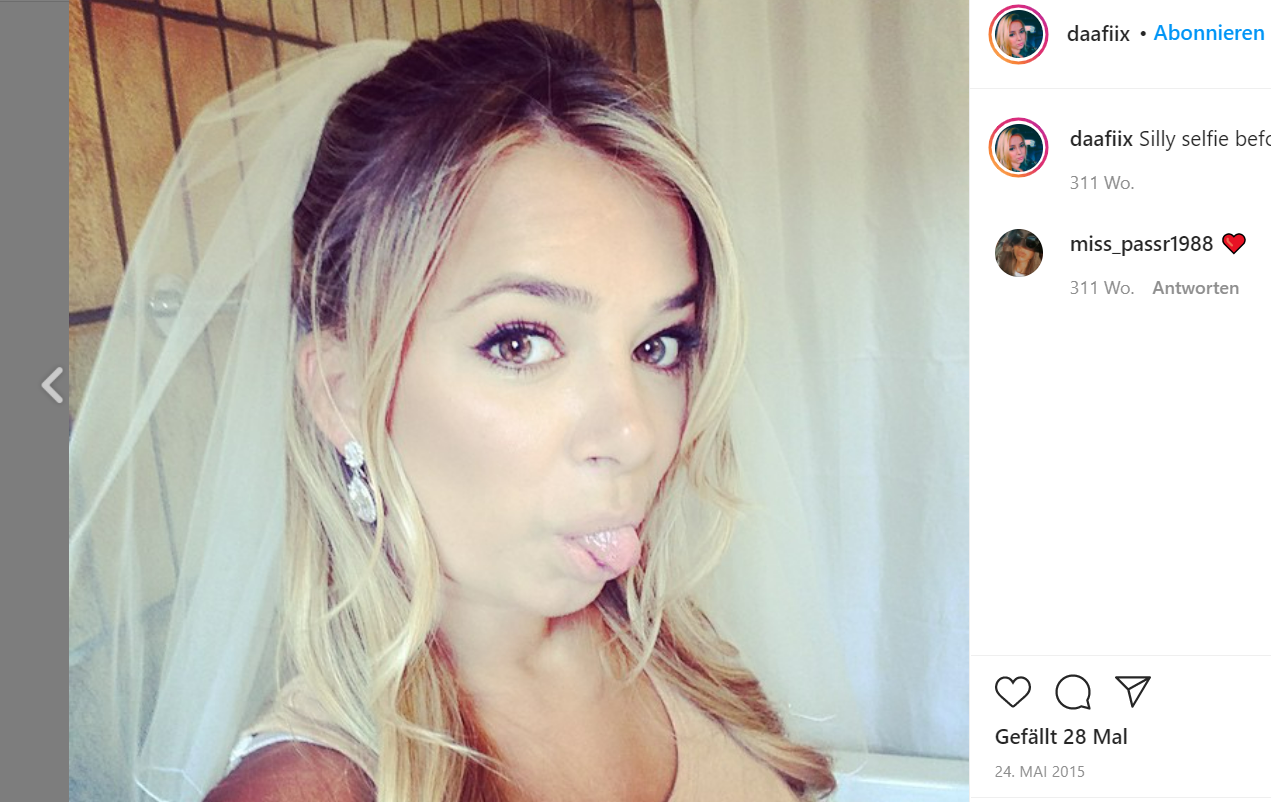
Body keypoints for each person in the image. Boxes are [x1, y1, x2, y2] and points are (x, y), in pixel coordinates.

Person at [68, 21, 846, 802]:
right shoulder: (314, 790)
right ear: (344, 393)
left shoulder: (670, 644)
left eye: (659, 344)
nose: (634, 434)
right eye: (520, 343)